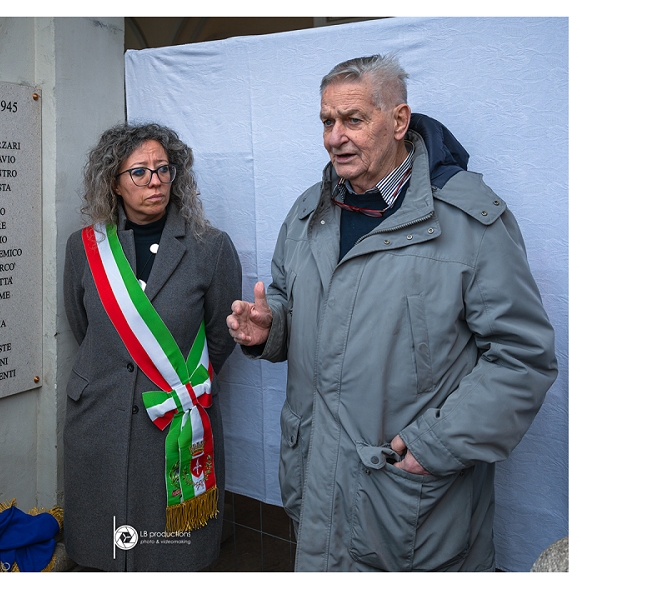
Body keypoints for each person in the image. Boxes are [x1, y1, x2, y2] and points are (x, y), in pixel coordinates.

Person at [226, 54, 557, 571]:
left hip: (409, 506)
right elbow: (295, 300)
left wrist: (434, 444)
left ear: (399, 121)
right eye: (326, 122)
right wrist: (272, 328)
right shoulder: (308, 212)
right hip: (317, 488)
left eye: (353, 120)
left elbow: (523, 359)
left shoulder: (469, 221)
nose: (335, 136)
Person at [62, 123, 242, 571]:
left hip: (175, 421)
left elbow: (222, 337)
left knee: (170, 553)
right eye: (139, 172)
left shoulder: (211, 247)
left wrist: (172, 381)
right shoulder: (85, 248)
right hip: (99, 417)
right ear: (114, 183)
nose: (155, 181)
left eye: (163, 169)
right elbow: (84, 325)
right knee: (104, 546)